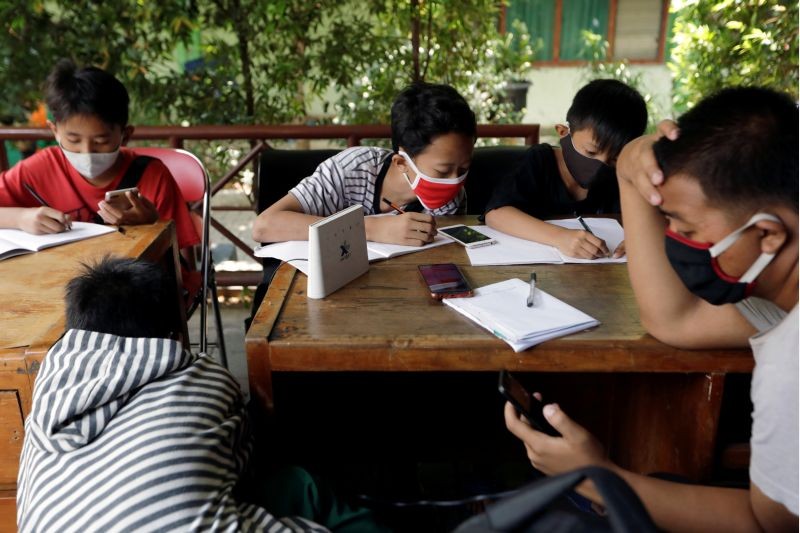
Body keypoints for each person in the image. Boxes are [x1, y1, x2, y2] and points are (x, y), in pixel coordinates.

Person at [504, 86, 798, 531]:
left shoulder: (792, 365)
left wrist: (594, 477)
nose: (675, 240)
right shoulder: (778, 299)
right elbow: (673, 320)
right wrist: (628, 168)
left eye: (687, 227)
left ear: (769, 236)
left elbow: (769, 525)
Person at [17, 256, 387, 532]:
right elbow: (244, 457)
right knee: (300, 485)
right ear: (175, 329)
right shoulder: (201, 375)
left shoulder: (47, 392)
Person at [0, 59, 198, 258]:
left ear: (125, 135)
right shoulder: (39, 169)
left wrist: (152, 226)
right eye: (73, 140)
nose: (86, 151)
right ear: (55, 131)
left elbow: (180, 261)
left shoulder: (153, 175)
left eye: (101, 140)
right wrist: (20, 218)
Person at [252, 81, 476, 247]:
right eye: (443, 170)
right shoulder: (350, 170)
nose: (454, 181)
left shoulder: (451, 199)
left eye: (463, 169)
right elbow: (264, 227)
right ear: (401, 163)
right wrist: (370, 228)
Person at [483, 79, 647, 259]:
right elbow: (496, 214)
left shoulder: (623, 174)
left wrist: (640, 238)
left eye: (615, 158)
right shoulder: (539, 162)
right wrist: (560, 237)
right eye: (591, 151)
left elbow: (653, 218)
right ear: (563, 132)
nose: (601, 165)